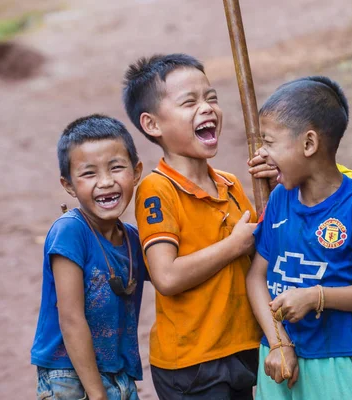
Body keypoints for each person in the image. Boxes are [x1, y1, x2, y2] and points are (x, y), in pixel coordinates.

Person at [122, 53, 262, 399]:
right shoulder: (158, 190)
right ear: (153, 125)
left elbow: (260, 249)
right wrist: (233, 245)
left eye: (211, 98)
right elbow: (166, 276)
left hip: (241, 347)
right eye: (190, 102)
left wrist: (279, 181)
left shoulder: (229, 184)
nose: (207, 108)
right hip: (192, 363)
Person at [247, 76, 352, 400]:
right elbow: (256, 277)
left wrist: (317, 297)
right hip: (278, 358)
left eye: (270, 142)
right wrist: (278, 342)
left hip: (338, 358)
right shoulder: (279, 200)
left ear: (309, 144)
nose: (263, 153)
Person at [31, 114, 147, 400]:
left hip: (119, 374)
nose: (106, 182)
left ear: (137, 172)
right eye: (89, 173)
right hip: (69, 376)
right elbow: (70, 318)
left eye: (116, 168)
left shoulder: (133, 239)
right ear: (69, 185)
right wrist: (96, 394)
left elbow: (171, 276)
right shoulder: (70, 231)